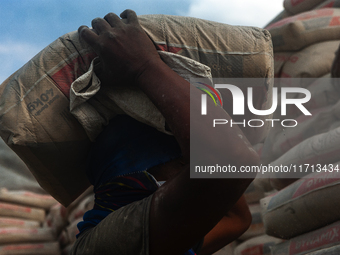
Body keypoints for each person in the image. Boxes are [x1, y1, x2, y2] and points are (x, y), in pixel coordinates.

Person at [71, 9, 259, 255]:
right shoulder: (108, 244)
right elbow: (229, 163)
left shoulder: (170, 237)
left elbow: (236, 219)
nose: (192, 166)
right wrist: (143, 66)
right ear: (140, 174)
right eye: (185, 160)